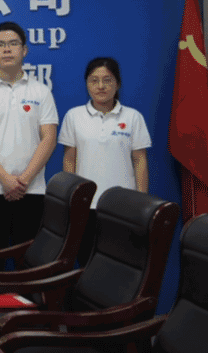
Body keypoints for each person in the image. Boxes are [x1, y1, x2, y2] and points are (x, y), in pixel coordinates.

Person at [0, 21, 58, 271]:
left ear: (24, 50)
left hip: (32, 190)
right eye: (0, 44)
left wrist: (23, 180)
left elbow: (49, 138)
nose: (7, 49)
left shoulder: (41, 91)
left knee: (29, 264)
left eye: (13, 43)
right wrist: (6, 179)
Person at [60, 57, 150, 265]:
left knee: (121, 264)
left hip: (124, 207)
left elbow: (140, 160)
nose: (100, 86)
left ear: (118, 84)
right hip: (86, 205)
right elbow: (69, 160)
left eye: (107, 80)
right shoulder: (74, 116)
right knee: (87, 263)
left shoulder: (133, 117)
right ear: (87, 84)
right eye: (94, 80)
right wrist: (72, 199)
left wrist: (141, 202)